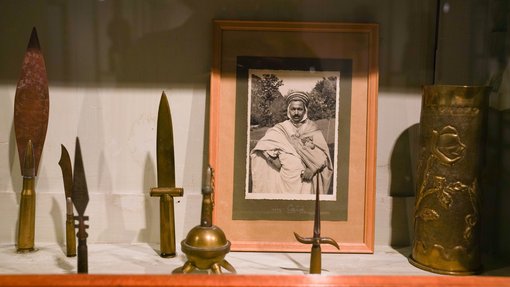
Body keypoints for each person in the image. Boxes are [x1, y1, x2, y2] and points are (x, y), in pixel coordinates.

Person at [250, 91, 333, 194]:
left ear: (305, 110)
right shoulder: (281, 128)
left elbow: (324, 154)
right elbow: (262, 146)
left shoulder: (312, 128)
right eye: (293, 109)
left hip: (306, 180)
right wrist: (274, 160)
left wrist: (312, 169)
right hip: (285, 180)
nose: (296, 113)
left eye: (299, 109)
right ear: (289, 110)